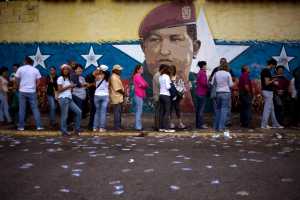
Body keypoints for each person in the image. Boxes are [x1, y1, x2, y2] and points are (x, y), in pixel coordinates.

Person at [139, 1, 201, 111]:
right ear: (143, 48)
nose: (164, 51)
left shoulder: (198, 85)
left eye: (175, 39)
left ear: (195, 48)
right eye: (155, 40)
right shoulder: (137, 88)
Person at [15, 57, 43, 131]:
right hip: (32, 91)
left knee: (22, 109)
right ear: (32, 62)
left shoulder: (20, 69)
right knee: (35, 109)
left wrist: (18, 87)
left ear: (25, 62)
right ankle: (39, 126)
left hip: (22, 91)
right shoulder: (35, 70)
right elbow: (39, 81)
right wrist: (35, 87)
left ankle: (21, 127)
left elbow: (17, 79)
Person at [57, 64, 82, 136]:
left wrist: (72, 88)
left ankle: (77, 130)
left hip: (69, 98)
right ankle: (64, 131)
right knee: (64, 116)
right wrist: (69, 86)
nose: (66, 71)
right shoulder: (60, 78)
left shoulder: (68, 78)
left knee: (79, 112)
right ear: (62, 71)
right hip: (63, 98)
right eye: (64, 69)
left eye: (67, 69)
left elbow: (69, 89)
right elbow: (59, 90)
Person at [260, 58, 284, 129]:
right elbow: (267, 82)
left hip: (267, 91)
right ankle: (264, 125)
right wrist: (274, 80)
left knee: (272, 109)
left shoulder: (265, 71)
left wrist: (272, 79)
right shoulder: (266, 71)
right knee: (267, 109)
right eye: (274, 66)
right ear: (272, 64)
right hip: (267, 91)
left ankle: (275, 124)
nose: (274, 67)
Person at [212, 64, 233, 133]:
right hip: (226, 92)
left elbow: (212, 83)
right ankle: (221, 127)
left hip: (218, 93)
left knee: (218, 110)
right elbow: (231, 84)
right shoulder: (228, 74)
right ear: (226, 67)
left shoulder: (216, 73)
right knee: (224, 110)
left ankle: (216, 126)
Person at [93, 65, 110, 132]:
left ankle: (95, 127)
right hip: (105, 95)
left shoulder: (97, 76)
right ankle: (101, 128)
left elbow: (93, 74)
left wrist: (98, 69)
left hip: (97, 95)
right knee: (103, 112)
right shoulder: (107, 77)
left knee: (97, 112)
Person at [132, 64, 149, 131]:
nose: (142, 70)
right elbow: (144, 84)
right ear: (137, 70)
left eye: (142, 68)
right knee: (139, 111)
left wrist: (144, 85)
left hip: (139, 95)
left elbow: (146, 84)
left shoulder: (138, 76)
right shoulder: (137, 76)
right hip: (138, 95)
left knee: (138, 111)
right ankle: (138, 126)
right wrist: (144, 85)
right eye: (141, 69)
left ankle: (138, 126)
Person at [158, 65, 175, 133]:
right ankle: (167, 128)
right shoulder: (167, 76)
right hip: (166, 96)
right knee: (167, 112)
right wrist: (172, 89)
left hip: (161, 95)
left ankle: (161, 127)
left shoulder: (160, 77)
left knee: (162, 112)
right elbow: (168, 87)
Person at [169, 65, 186, 129]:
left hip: (175, 96)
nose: (170, 71)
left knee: (176, 109)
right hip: (173, 96)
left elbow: (181, 86)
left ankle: (178, 123)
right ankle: (173, 123)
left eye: (171, 69)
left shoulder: (176, 77)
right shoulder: (169, 77)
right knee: (173, 109)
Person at [109, 64, 125, 131]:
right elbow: (117, 89)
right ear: (115, 70)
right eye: (119, 70)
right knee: (117, 113)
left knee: (118, 112)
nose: (120, 71)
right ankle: (117, 127)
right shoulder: (114, 77)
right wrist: (124, 93)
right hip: (116, 97)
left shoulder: (116, 76)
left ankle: (118, 126)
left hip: (118, 97)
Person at [195, 61, 208, 129]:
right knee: (201, 110)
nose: (206, 67)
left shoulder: (199, 73)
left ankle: (198, 124)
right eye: (205, 65)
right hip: (202, 93)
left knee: (198, 109)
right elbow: (204, 83)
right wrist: (209, 84)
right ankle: (200, 125)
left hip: (198, 92)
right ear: (203, 66)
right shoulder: (203, 73)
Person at [152, 65, 165, 131]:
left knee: (160, 111)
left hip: (159, 96)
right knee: (158, 111)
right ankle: (157, 126)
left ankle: (159, 125)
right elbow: (160, 85)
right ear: (162, 69)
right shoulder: (157, 76)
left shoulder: (159, 75)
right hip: (158, 96)